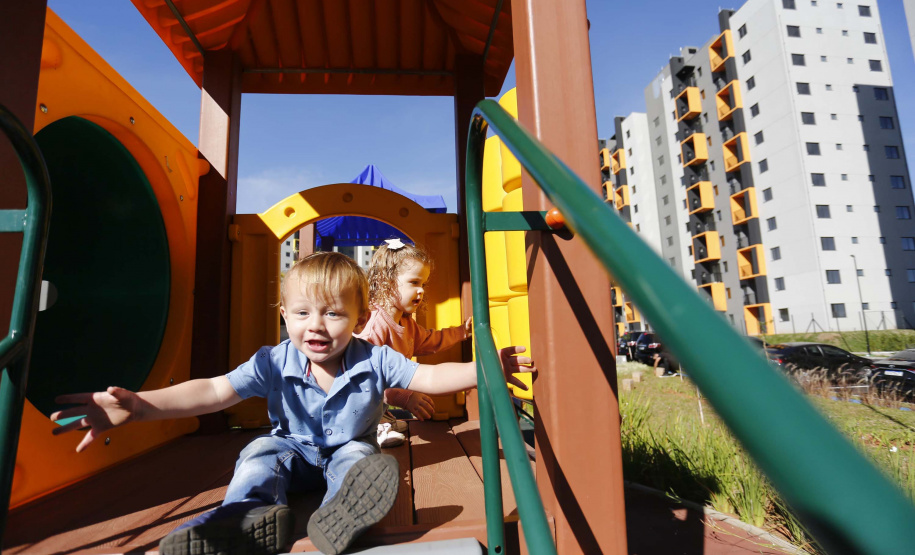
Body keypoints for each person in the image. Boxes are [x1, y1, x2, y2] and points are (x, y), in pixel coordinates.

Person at [50, 251, 534, 555]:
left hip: (348, 447)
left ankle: (339, 516)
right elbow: (214, 390)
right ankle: (248, 517)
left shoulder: (375, 357)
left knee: (359, 460)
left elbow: (428, 374)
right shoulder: (274, 359)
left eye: (334, 313)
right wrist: (141, 405)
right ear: (284, 314)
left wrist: (483, 369)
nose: (316, 326)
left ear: (361, 317)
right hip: (294, 448)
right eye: (302, 313)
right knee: (259, 457)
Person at [356, 238, 472, 448]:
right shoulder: (374, 323)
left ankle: (381, 419)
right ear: (387, 281)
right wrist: (404, 397)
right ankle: (370, 428)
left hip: (376, 400)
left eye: (423, 284)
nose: (421, 290)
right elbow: (363, 377)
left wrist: (462, 332)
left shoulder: (405, 323)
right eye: (414, 282)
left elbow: (430, 341)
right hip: (352, 402)